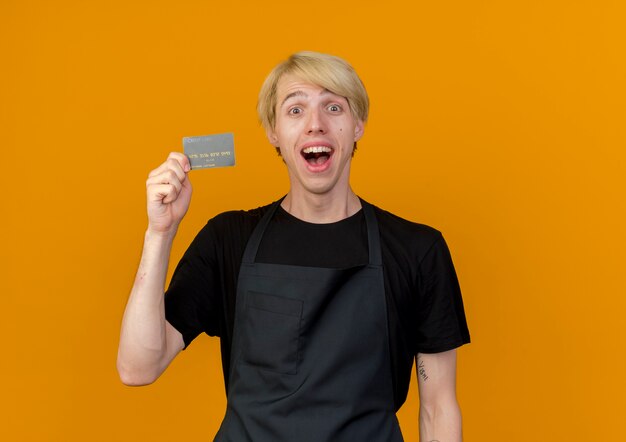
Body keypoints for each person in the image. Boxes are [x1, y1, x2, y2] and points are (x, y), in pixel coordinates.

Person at [117, 51, 470, 441]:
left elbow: (438, 409)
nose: (315, 125)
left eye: (333, 107)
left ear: (358, 125)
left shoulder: (417, 250)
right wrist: (159, 234)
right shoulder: (229, 239)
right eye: (295, 110)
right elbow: (138, 367)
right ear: (274, 132)